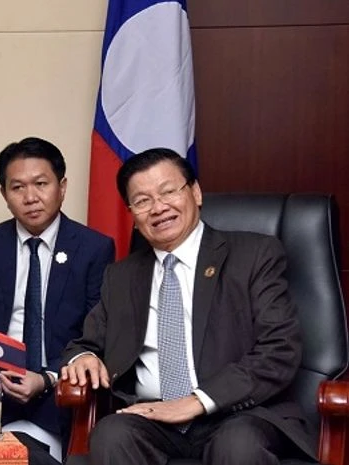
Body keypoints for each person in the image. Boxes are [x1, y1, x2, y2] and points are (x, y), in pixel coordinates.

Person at [60, 148, 316, 464]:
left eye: (168, 192)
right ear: (133, 214)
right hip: (153, 417)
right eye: (142, 201)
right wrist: (83, 358)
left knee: (237, 445)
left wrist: (197, 401)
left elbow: (280, 350)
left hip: (239, 413)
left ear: (195, 192)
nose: (158, 208)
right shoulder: (122, 275)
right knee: (112, 433)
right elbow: (83, 345)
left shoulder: (254, 254)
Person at [0, 137, 115, 462]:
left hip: (59, 389)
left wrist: (48, 377)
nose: (31, 198)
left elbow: (97, 334)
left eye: (41, 184)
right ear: (4, 194)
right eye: (18, 188)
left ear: (62, 186)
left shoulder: (94, 248)